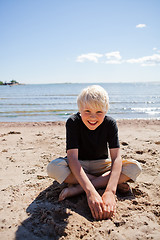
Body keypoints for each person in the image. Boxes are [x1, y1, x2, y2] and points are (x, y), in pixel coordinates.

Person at [47, 85, 141, 220]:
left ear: (106, 110)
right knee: (53, 168)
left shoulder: (110, 123)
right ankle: (103, 182)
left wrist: (110, 191)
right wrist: (90, 192)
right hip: (78, 166)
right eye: (87, 111)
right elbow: (72, 159)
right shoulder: (73, 122)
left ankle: (78, 187)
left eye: (99, 112)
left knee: (134, 167)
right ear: (79, 109)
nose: (93, 117)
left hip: (102, 165)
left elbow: (116, 158)